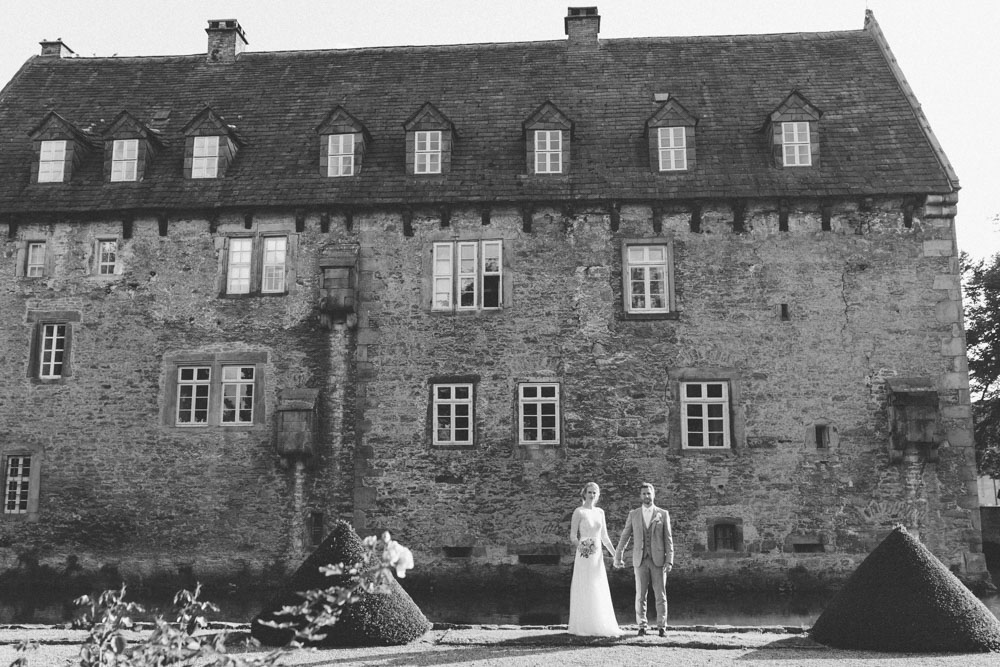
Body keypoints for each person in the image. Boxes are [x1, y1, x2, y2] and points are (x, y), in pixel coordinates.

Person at [614, 482, 674, 637]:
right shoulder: (633, 514)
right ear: (640, 496)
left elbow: (668, 539)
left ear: (653, 494)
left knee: (660, 594)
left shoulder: (663, 513)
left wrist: (669, 560)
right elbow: (625, 536)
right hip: (640, 559)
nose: (647, 496)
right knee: (640, 594)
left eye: (649, 493)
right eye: (644, 494)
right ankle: (642, 625)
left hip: (659, 559)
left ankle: (662, 626)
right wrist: (618, 554)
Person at [568, 482, 621, 637]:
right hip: (584, 555)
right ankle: (583, 625)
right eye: (590, 492)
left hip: (597, 555)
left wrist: (615, 554)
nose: (592, 495)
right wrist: (582, 547)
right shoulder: (579, 512)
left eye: (595, 493)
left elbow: (604, 537)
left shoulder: (600, 512)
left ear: (598, 495)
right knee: (585, 586)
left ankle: (599, 624)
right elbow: (572, 536)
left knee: (597, 585)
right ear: (584, 493)